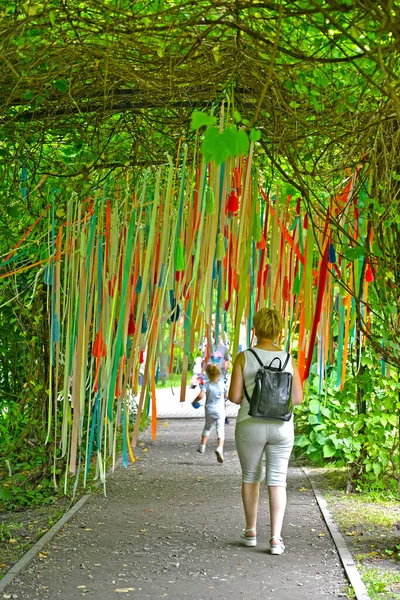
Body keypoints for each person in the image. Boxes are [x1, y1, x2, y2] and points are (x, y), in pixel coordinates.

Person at [228, 307, 303, 555]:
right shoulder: (288, 359)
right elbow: (299, 398)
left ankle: (250, 531)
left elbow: (235, 397)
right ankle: (275, 539)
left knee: (251, 477)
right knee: (277, 480)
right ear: (279, 331)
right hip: (282, 426)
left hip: (250, 425)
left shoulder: (243, 357)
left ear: (255, 330)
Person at [192, 363, 226, 463]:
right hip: (220, 411)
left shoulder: (206, 385)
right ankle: (220, 448)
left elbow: (200, 396)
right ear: (218, 374)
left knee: (207, 427)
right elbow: (226, 395)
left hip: (209, 411)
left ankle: (202, 446)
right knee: (220, 430)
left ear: (207, 374)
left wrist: (194, 401)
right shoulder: (221, 384)